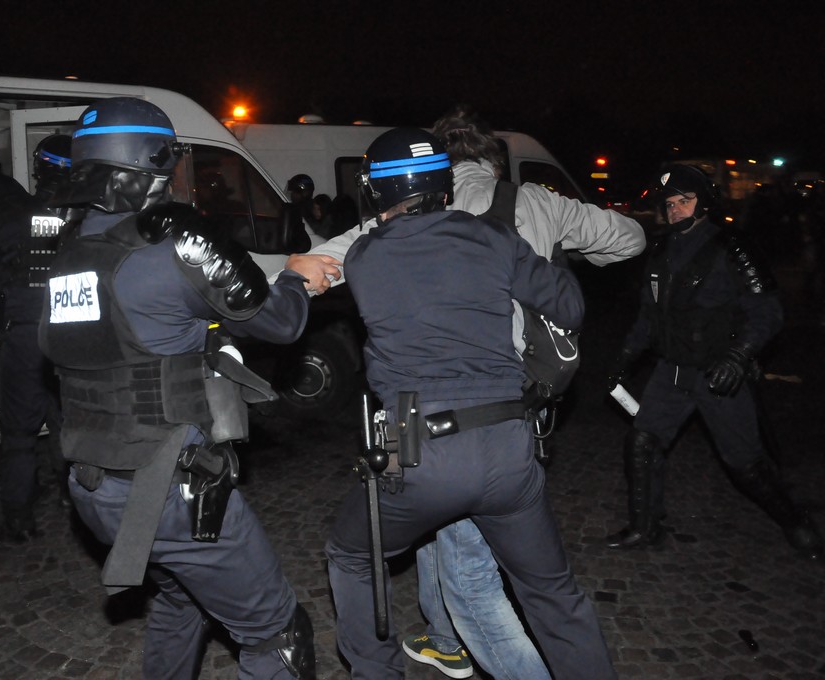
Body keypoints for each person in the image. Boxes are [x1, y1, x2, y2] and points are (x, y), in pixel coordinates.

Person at [289, 105, 645, 678]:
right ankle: (450, 638)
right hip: (511, 442)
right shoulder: (504, 232)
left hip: (422, 450)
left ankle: (381, 668)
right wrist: (543, 261)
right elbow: (578, 298)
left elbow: (323, 263)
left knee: (358, 556)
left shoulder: (368, 249)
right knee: (553, 596)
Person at [37, 96, 316, 679]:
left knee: (181, 599)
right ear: (153, 163)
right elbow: (280, 323)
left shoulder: (68, 253)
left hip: (95, 487)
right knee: (279, 635)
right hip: (169, 491)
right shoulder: (169, 250)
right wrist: (295, 276)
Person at [605, 163, 823, 560]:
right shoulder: (660, 250)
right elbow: (648, 317)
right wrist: (623, 360)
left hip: (716, 374)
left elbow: (768, 311)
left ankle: (796, 520)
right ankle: (645, 526)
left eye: (684, 201)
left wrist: (739, 356)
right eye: (669, 204)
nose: (675, 210)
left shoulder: (733, 246)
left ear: (703, 202)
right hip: (670, 371)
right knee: (641, 443)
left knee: (744, 464)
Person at [0, 135, 72, 543]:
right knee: (66, 423)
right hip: (73, 336)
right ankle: (72, 500)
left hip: (23, 337)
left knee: (19, 435)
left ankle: (18, 521)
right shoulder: (87, 216)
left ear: (39, 168)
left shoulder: (6, 212)